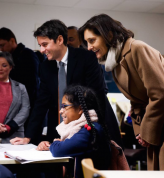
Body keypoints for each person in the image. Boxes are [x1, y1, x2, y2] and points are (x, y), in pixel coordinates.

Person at [78, 14, 164, 170]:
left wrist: (146, 132)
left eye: (92, 40)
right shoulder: (115, 61)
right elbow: (136, 100)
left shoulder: (137, 49)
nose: (89, 47)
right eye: (87, 42)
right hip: (156, 127)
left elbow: (160, 94)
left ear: (108, 35)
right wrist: (140, 131)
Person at [10, 19, 123, 148]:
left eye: (45, 44)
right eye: (40, 45)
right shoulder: (45, 66)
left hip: (88, 125)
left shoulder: (86, 58)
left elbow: (96, 96)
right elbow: (41, 103)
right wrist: (28, 136)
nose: (41, 50)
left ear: (59, 40)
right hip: (59, 128)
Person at [36, 85, 111, 178]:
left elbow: (59, 151)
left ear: (80, 109)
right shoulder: (85, 127)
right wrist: (57, 145)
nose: (61, 111)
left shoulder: (90, 131)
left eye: (65, 106)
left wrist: (54, 144)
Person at [0, 27, 39, 109]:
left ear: (12, 41)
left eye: (2, 45)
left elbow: (33, 84)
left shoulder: (27, 55)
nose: (1, 49)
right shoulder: (8, 59)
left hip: (28, 106)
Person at [0, 52, 30, 143]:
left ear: (11, 67)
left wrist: (9, 126)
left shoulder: (21, 87)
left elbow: (25, 109)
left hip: (14, 136)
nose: (0, 68)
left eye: (4, 65)